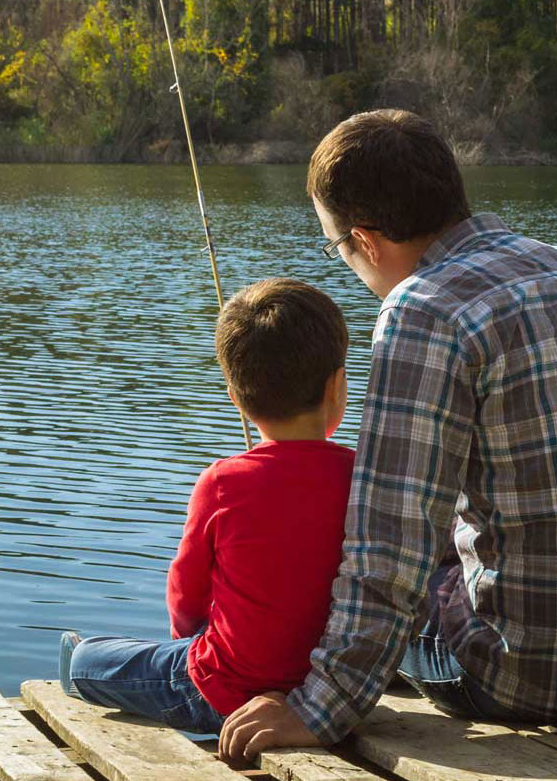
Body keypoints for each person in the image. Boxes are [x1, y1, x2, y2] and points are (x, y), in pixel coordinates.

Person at [217, 109, 557, 759]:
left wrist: (319, 707)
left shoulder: (422, 311)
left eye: (337, 248)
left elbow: (388, 552)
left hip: (532, 674)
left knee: (323, 588)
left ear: (366, 240)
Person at [59, 278, 355, 733]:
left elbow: (185, 594)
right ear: (337, 386)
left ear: (236, 398)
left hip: (223, 694)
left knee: (88, 660)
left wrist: (193, 641)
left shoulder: (222, 482)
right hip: (325, 690)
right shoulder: (363, 476)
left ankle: (77, 657)